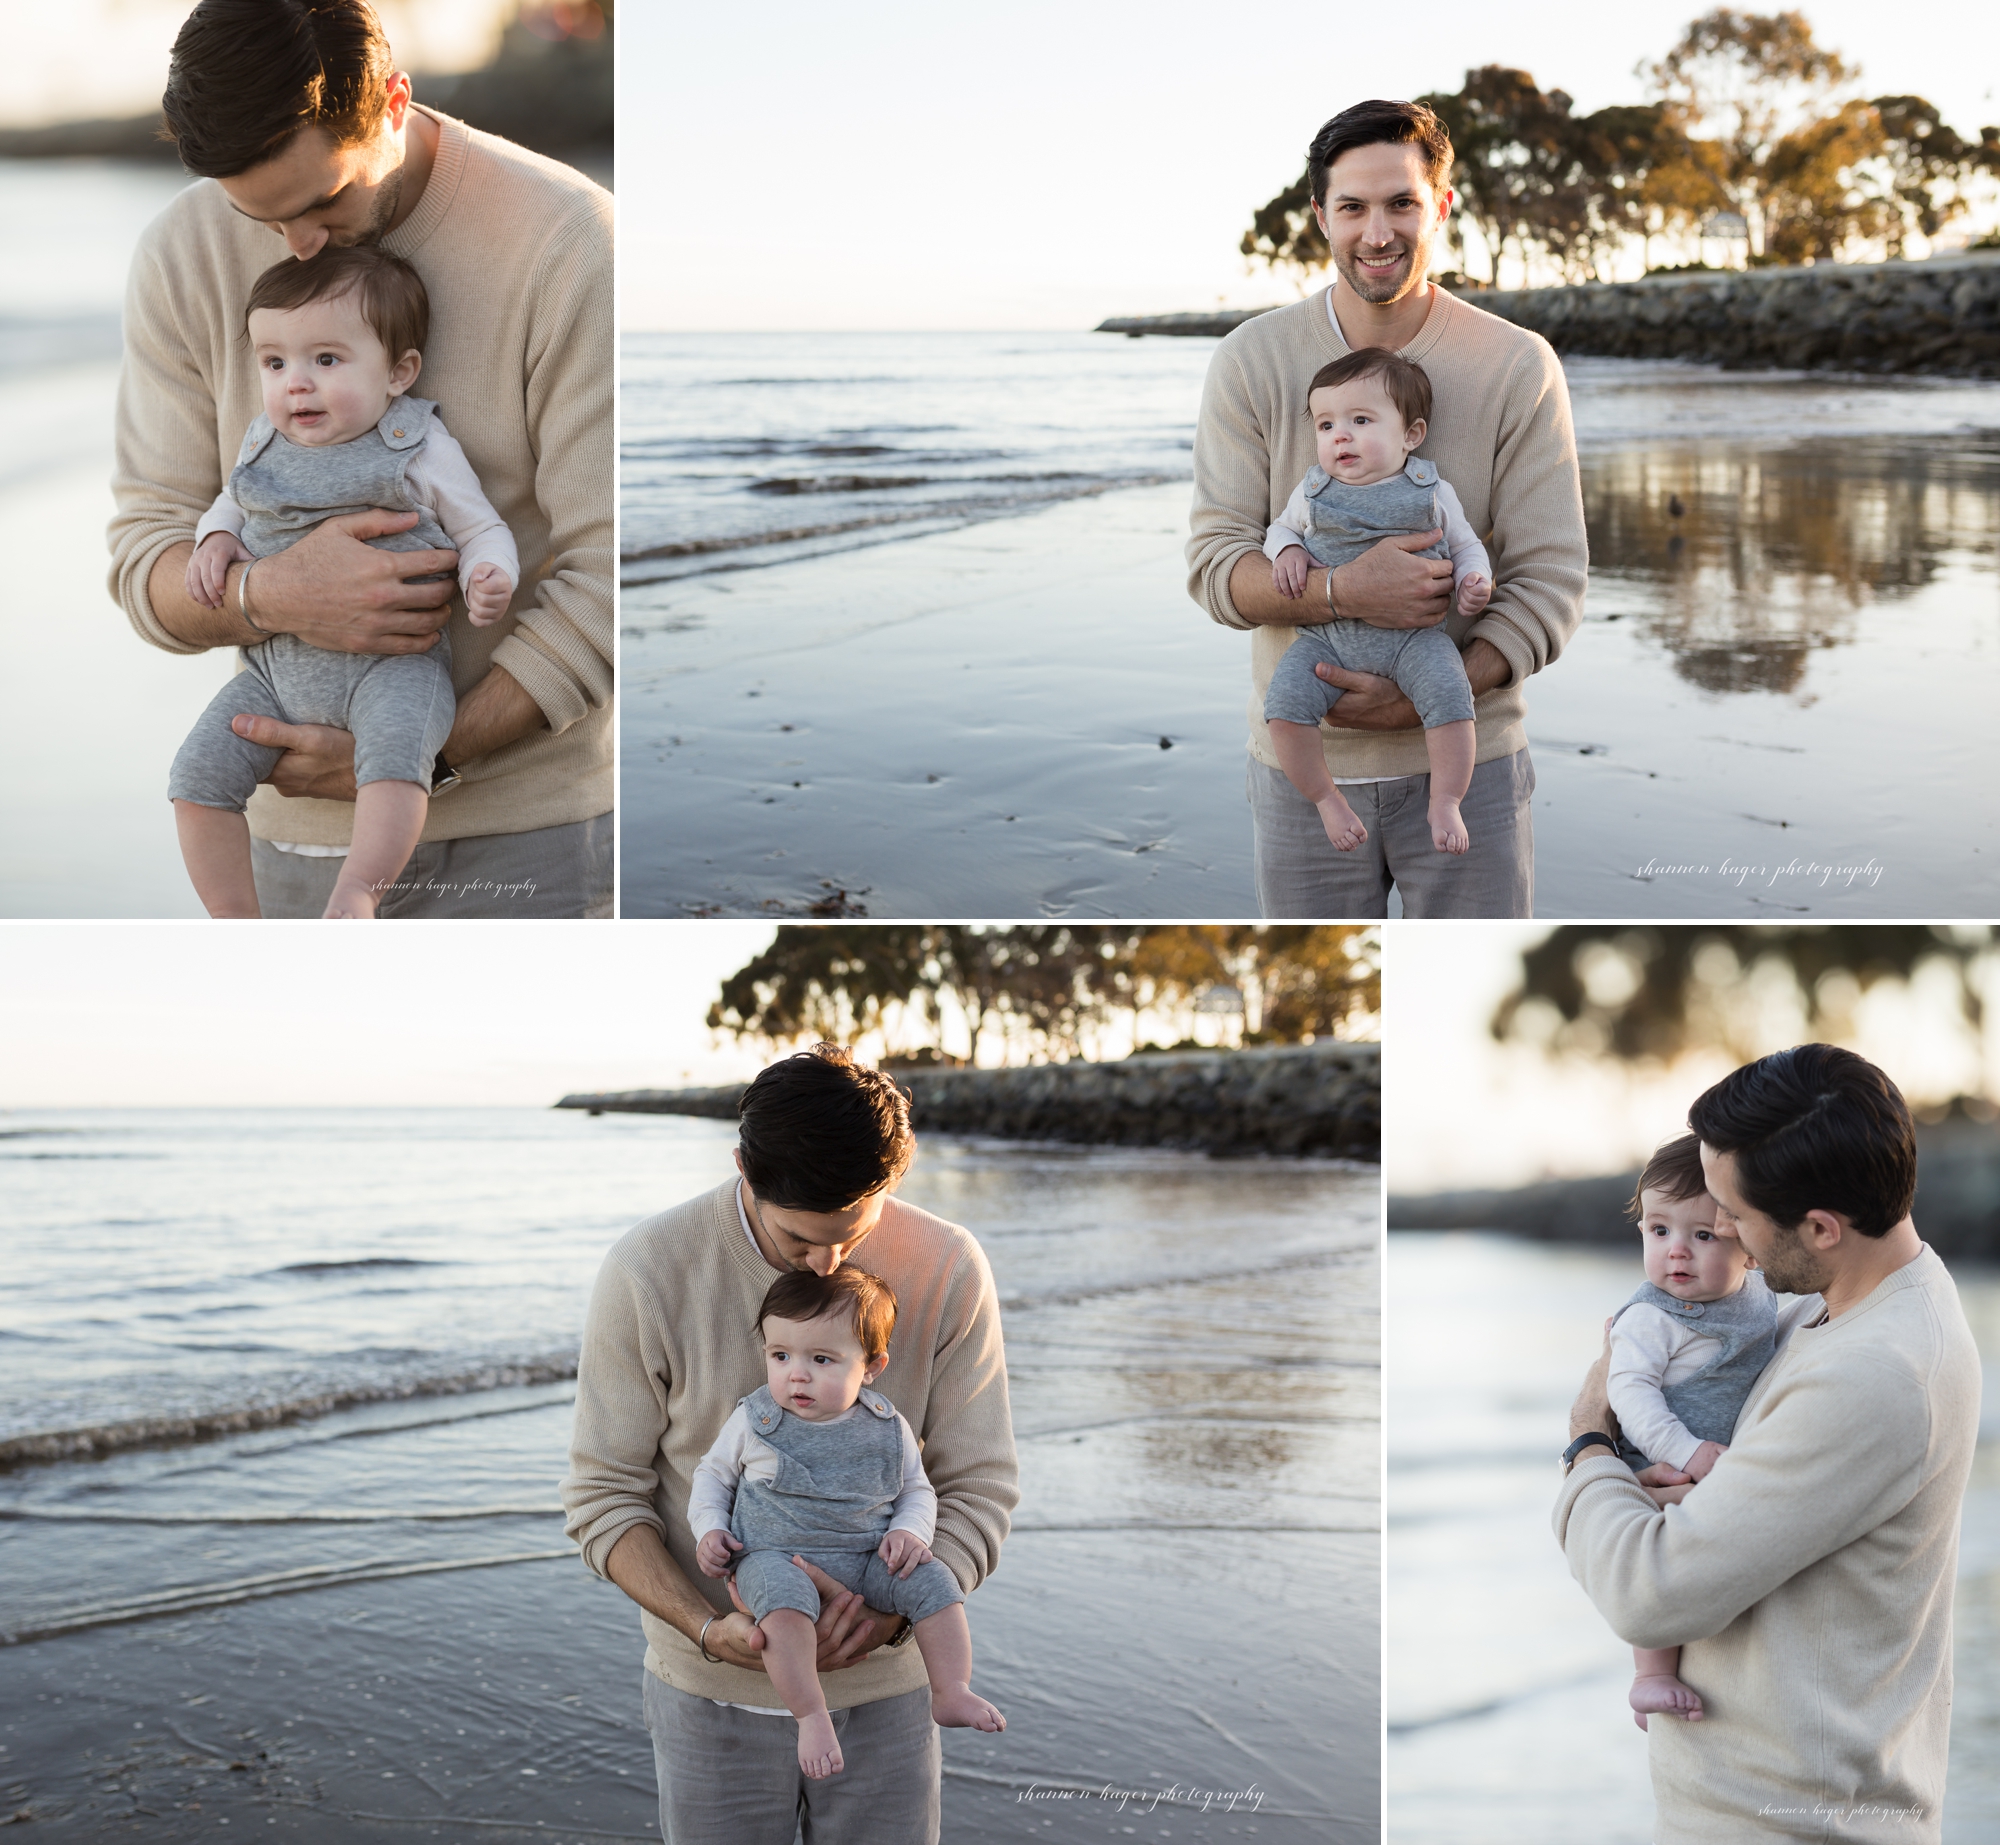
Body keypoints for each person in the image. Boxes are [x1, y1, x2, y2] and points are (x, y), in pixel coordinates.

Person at [110, 0, 612, 917]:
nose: (297, 246)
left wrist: (426, 753)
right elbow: (146, 555)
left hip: (533, 838)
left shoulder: (568, 241)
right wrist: (272, 593)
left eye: (324, 202)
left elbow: (613, 574)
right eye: (257, 215)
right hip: (283, 826)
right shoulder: (179, 255)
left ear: (392, 101)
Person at [562, 1044, 1017, 1845]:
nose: (828, 1261)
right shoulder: (649, 1269)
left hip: (891, 1694)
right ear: (743, 1166)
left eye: (854, 1229)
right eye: (798, 1238)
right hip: (709, 1691)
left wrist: (890, 1614)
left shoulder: (949, 1266)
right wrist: (706, 1629)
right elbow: (603, 1498)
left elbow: (978, 1484)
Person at [1555, 1046, 1980, 1844]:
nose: (1723, 1238)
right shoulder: (1854, 1306)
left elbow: (1649, 1592)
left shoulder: (1874, 1374)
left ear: (1819, 1227)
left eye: (1734, 1219)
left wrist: (1587, 1441)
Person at [1187, 97, 1587, 918]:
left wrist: (1438, 690)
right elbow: (1215, 563)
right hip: (1305, 775)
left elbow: (1551, 578)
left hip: (1471, 770)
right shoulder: (1250, 362)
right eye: (1353, 207)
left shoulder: (1518, 365)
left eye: (1402, 202)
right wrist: (1341, 592)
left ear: (1440, 204)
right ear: (1320, 217)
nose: (1379, 232)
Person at [171, 246, 517, 919]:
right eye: (275, 363)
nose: (295, 384)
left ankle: (361, 886)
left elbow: (481, 527)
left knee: (393, 763)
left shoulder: (417, 444)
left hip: (393, 667)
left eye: (325, 360)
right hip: (274, 677)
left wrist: (488, 572)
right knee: (194, 779)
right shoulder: (261, 441)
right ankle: (234, 916)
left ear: (398, 372)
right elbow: (231, 504)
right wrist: (214, 540)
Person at [691, 1266, 1005, 1781]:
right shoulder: (754, 1418)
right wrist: (709, 1529)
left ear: (872, 1365)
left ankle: (952, 1689)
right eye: (780, 1356)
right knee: (782, 1613)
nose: (797, 1374)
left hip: (867, 1558)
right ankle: (811, 1715)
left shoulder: (887, 1426)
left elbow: (915, 1490)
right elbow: (712, 1477)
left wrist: (910, 1533)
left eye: (821, 1359)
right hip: (774, 1555)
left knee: (934, 1582)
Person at [1261, 348, 1491, 857]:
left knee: (1452, 699)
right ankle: (1326, 798)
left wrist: (1476, 579)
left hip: (1414, 640)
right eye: (1325, 425)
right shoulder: (1313, 490)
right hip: (1327, 642)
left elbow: (1466, 545)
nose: (1339, 435)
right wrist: (1290, 549)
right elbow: (1277, 530)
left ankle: (1447, 799)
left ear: (1411, 434)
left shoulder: (1430, 490)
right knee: (1283, 710)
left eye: (1360, 420)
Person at [1601, 1132, 1785, 1733]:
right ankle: (1649, 1675)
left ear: (1751, 1248)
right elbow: (1629, 1394)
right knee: (1661, 1558)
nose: (1675, 1253)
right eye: (1659, 1231)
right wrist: (1688, 1451)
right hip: (1662, 1461)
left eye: (1702, 1235)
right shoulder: (1652, 1318)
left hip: (1718, 1467)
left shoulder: (1761, 1294)